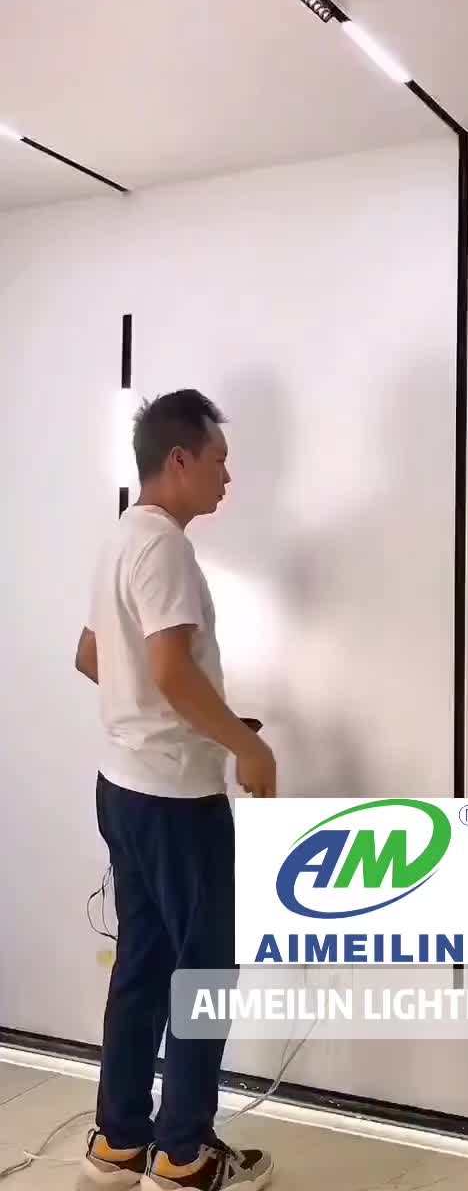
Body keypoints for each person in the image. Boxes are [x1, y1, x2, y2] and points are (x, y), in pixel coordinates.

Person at [74, 390, 277, 1190]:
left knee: (143, 962)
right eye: (219, 460)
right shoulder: (165, 549)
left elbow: (94, 655)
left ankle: (120, 1142)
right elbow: (165, 667)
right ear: (180, 459)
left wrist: (192, 719)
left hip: (122, 787)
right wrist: (243, 744)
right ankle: (184, 1155)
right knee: (204, 974)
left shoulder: (120, 538)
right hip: (175, 803)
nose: (228, 477)